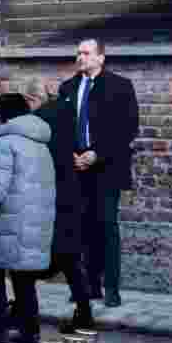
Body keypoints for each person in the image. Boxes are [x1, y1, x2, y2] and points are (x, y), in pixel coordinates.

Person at [58, 38, 140, 308]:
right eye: (78, 52)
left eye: (86, 53)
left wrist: (97, 154)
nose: (80, 57)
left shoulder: (120, 86)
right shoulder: (68, 88)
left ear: (101, 57)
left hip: (106, 169)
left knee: (106, 226)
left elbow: (127, 129)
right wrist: (71, 153)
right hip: (76, 168)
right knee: (81, 228)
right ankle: (88, 285)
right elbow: (62, 126)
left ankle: (111, 288)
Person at [0, 93, 55, 343]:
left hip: (5, 223)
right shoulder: (40, 142)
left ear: (3, 115)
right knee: (24, 279)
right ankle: (30, 332)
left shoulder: (5, 143)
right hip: (32, 222)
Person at [22, 76, 95, 334]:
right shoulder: (67, 114)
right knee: (71, 258)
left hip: (47, 194)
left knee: (26, 261)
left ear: (33, 100)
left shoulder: (38, 122)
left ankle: (27, 321)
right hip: (70, 192)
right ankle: (84, 314)